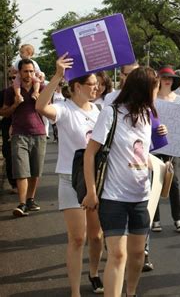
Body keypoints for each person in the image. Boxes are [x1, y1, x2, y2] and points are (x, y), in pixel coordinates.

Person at [82, 66, 160, 297]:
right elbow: (89, 153)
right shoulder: (112, 112)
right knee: (118, 254)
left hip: (141, 196)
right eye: (155, 88)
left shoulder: (147, 115)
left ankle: (131, 292)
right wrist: (91, 191)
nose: (156, 93)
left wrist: (159, 167)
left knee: (137, 254)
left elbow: (142, 154)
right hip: (113, 197)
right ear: (145, 89)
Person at [36, 54, 104, 296]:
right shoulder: (64, 109)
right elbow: (40, 107)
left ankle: (94, 272)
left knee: (96, 236)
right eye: (91, 84)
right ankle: (75, 292)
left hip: (95, 181)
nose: (96, 87)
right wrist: (56, 76)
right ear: (77, 87)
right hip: (69, 180)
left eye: (97, 84)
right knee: (77, 238)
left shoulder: (100, 111)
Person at [1, 59, 46, 217]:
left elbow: (49, 108)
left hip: (39, 133)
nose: (28, 74)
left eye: (31, 71)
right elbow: (4, 112)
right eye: (25, 71)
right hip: (19, 134)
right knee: (21, 171)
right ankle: (22, 204)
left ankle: (30, 200)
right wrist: (15, 104)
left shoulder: (41, 87)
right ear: (19, 72)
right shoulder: (10, 91)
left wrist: (39, 98)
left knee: (35, 171)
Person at [151, 65, 180, 233]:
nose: (167, 81)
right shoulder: (152, 98)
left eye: (170, 78)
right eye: (164, 78)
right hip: (155, 145)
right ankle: (155, 219)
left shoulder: (179, 99)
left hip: (173, 146)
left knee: (174, 181)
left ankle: (177, 219)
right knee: (155, 182)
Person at [0, 67, 19, 193]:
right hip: (8, 127)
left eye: (15, 77)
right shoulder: (3, 93)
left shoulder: (31, 91)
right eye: (11, 78)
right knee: (10, 156)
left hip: (27, 129)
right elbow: (2, 112)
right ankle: (14, 184)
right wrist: (15, 105)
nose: (13, 80)